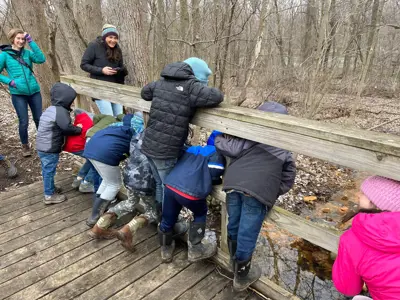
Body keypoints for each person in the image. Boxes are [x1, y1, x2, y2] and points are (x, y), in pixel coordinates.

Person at [214, 101, 296, 292]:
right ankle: (241, 276)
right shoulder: (285, 146)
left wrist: (218, 136)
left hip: (233, 184)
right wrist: (273, 189)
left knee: (233, 223)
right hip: (258, 190)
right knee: (247, 232)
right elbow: (288, 176)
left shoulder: (249, 136)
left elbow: (226, 146)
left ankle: (234, 263)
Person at [140, 57, 224, 207]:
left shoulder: (161, 82)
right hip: (166, 151)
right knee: (169, 187)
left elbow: (145, 93)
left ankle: (159, 215)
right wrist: (197, 84)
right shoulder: (191, 87)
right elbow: (217, 96)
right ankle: (167, 224)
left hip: (148, 145)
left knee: (160, 183)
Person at [158, 133, 225, 263]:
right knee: (200, 212)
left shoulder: (193, 148)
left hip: (171, 185)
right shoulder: (216, 154)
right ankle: (195, 248)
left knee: (168, 217)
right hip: (191, 193)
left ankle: (166, 248)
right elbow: (216, 171)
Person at [332, 176, 400, 300]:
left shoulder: (352, 239)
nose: (358, 194)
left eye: (363, 193)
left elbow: (347, 288)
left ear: (375, 203)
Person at [84, 113, 138, 227]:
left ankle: (97, 212)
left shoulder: (119, 124)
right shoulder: (139, 128)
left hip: (91, 147)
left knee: (107, 181)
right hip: (105, 154)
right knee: (114, 185)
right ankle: (95, 216)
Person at [0, 29, 46, 157]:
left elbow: (41, 59)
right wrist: (10, 82)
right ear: (12, 39)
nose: (21, 41)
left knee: (39, 119)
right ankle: (25, 145)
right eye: (18, 38)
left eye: (23, 39)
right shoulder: (4, 55)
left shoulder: (27, 53)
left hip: (34, 91)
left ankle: (44, 143)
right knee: (24, 121)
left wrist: (31, 42)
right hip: (18, 93)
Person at [36, 83, 82, 204]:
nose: (71, 103)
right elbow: (66, 128)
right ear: (65, 99)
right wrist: (79, 129)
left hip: (43, 146)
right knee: (49, 171)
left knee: (47, 169)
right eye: (71, 100)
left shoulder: (51, 109)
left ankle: (50, 188)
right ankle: (49, 195)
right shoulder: (60, 111)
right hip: (49, 148)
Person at [80, 24, 128, 116]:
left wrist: (119, 70)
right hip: (99, 89)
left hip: (115, 89)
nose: (113, 40)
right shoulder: (94, 46)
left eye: (115, 38)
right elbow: (84, 65)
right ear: (105, 36)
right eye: (110, 37)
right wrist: (102, 70)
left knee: (119, 117)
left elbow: (121, 66)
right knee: (109, 119)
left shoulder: (118, 49)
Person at [64, 109, 95, 193]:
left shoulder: (81, 119)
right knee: (96, 160)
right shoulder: (91, 123)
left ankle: (79, 179)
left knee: (90, 159)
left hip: (69, 145)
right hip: (77, 146)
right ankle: (87, 183)